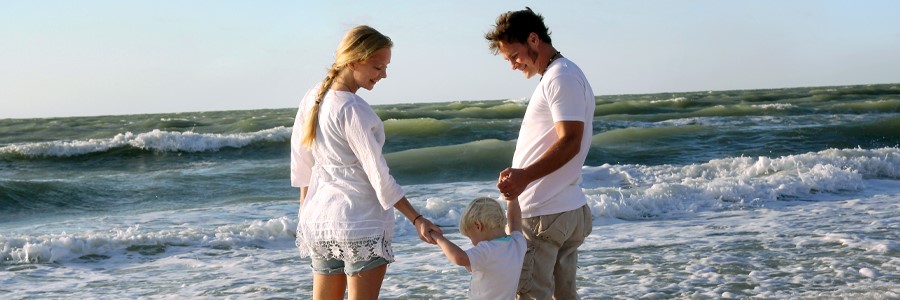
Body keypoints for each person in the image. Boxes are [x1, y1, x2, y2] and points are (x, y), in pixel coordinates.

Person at [290, 25, 442, 300]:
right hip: (359, 223)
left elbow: (301, 163)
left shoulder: (313, 97)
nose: (384, 75)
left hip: (321, 224)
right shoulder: (352, 109)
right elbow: (379, 177)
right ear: (354, 61)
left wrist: (305, 212)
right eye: (377, 67)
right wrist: (417, 219)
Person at [486, 7, 595, 300]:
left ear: (533, 39)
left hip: (544, 213)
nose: (512, 65)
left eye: (514, 56)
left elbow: (571, 141)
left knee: (531, 294)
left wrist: (524, 176)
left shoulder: (561, 77)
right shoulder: (560, 74)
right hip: (559, 209)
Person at [432, 197, 526, 300]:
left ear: (478, 226)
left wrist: (438, 238)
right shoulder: (518, 242)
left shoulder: (486, 250)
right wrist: (512, 198)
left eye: (470, 236)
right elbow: (515, 220)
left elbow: (460, 258)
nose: (472, 243)